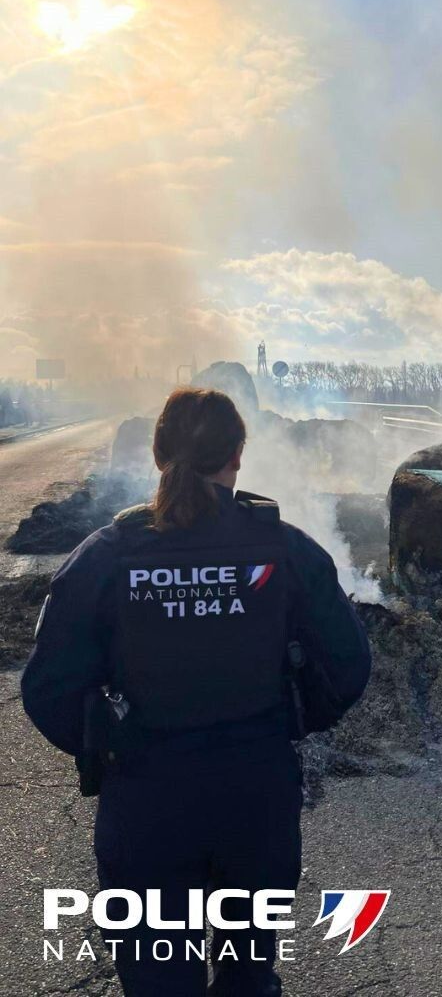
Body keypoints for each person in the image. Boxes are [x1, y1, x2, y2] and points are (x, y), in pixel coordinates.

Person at [22, 387, 371, 997]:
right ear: (237, 455)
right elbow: (347, 665)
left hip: (146, 803)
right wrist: (285, 723)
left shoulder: (106, 556)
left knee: (158, 977)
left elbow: (48, 687)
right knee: (248, 975)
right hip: (257, 798)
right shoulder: (285, 549)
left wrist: (108, 745)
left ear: (159, 455)